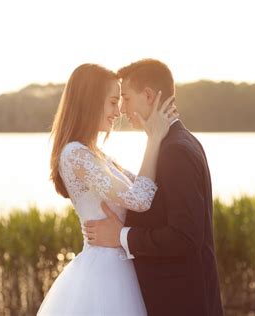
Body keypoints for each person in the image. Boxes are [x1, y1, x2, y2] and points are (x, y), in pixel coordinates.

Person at [83, 59, 224, 316]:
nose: (122, 109)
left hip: (182, 303)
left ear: (148, 96)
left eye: (125, 98)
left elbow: (185, 237)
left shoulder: (176, 150)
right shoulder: (175, 142)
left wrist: (121, 237)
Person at [37, 63, 178, 315]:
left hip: (119, 266)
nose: (119, 111)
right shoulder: (75, 155)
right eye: (113, 102)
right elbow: (140, 198)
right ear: (91, 102)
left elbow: (144, 187)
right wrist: (154, 139)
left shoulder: (97, 155)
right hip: (103, 275)